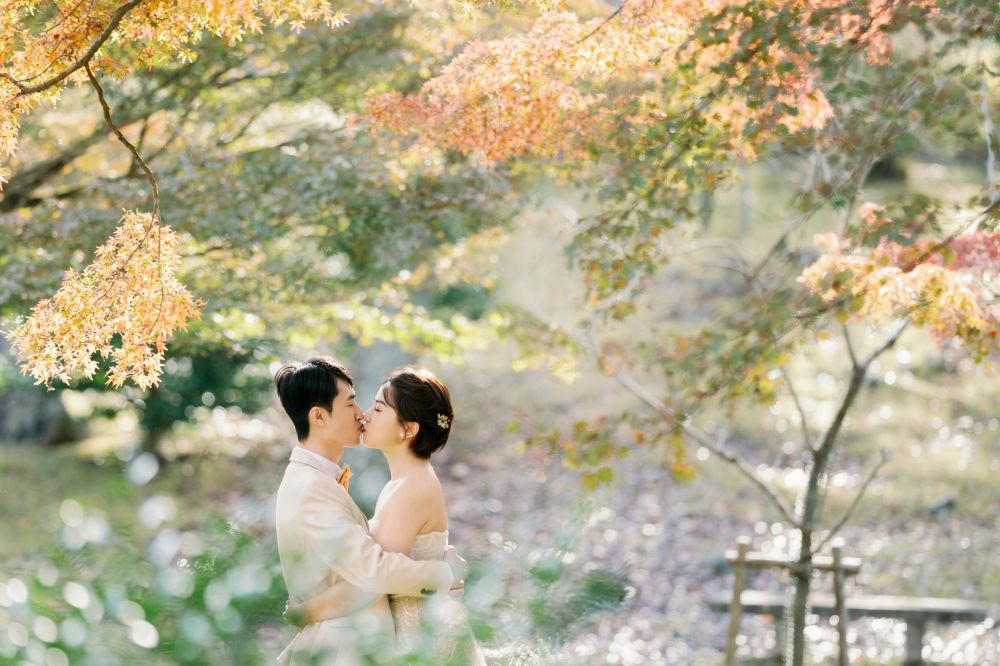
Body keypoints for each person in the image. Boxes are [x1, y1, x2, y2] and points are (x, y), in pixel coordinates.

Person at [273, 357, 467, 666]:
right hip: (347, 644)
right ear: (319, 416)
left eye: (377, 408)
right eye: (352, 404)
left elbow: (371, 574)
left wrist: (305, 612)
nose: (362, 415)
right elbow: (373, 571)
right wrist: (444, 575)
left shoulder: (408, 486)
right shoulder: (313, 486)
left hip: (398, 640)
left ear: (409, 429)